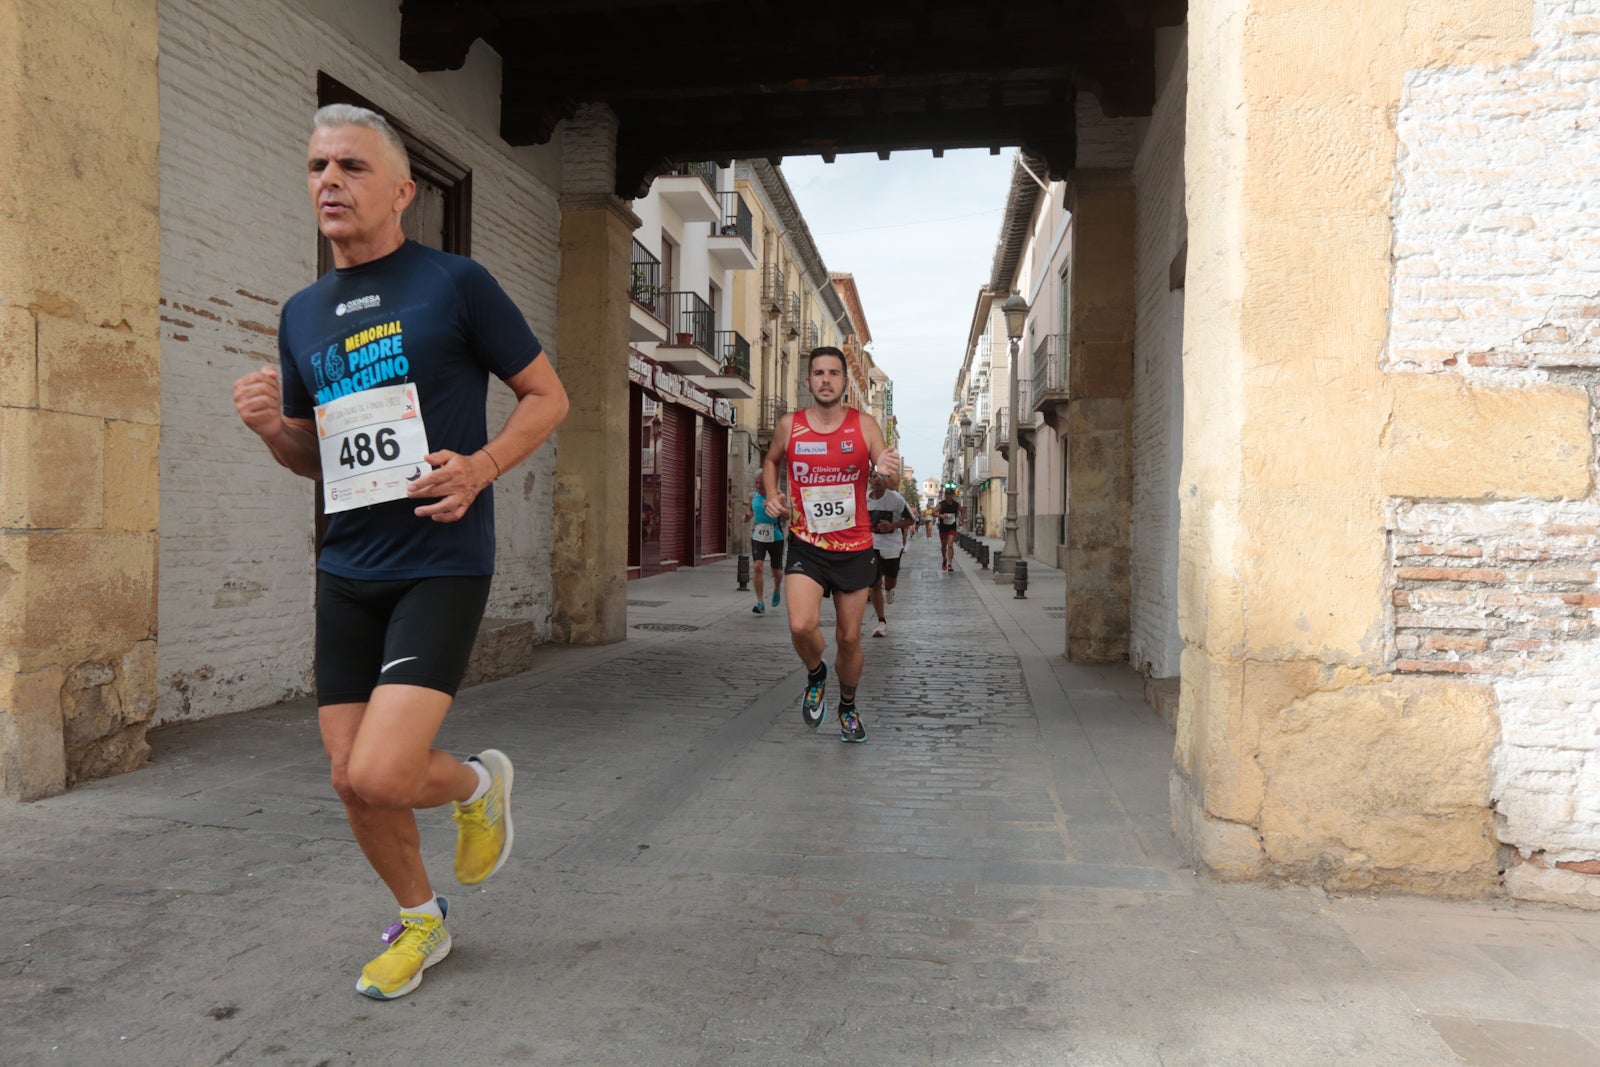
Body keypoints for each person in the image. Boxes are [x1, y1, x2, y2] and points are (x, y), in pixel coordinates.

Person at [231, 104, 569, 1000]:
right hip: (347, 567)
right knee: (351, 779)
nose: (329, 181)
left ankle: (473, 784)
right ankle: (423, 920)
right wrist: (274, 430)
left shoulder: (455, 283)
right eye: (316, 167)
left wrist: (482, 465)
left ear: (403, 193)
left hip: (439, 556)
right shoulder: (303, 313)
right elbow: (319, 457)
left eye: (350, 165)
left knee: (385, 768)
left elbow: (547, 396)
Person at [763, 347, 899, 743]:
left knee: (849, 639)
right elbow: (772, 460)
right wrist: (773, 494)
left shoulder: (865, 425)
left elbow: (887, 477)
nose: (826, 379)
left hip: (855, 547)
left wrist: (889, 473)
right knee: (801, 625)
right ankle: (816, 673)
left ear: (844, 383)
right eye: (819, 373)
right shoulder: (791, 425)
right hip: (806, 544)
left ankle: (848, 706)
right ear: (808, 381)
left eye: (834, 373)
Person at [866, 471, 915, 637]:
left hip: (892, 546)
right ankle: (881, 622)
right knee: (874, 584)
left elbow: (911, 520)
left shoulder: (895, 498)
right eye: (874, 477)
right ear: (870, 480)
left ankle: (889, 590)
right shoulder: (863, 500)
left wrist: (892, 526)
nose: (877, 480)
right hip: (871, 545)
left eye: (881, 477)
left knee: (890, 582)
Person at [742, 485, 785, 614]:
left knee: (776, 570)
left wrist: (777, 508)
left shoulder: (779, 495)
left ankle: (777, 589)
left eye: (761, 482)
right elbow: (750, 511)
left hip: (775, 535)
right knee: (757, 566)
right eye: (756, 482)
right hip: (758, 534)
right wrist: (747, 516)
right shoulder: (752, 496)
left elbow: (786, 513)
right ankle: (760, 602)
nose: (758, 485)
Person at [936, 487, 964, 571]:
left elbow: (963, 511)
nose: (947, 496)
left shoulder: (956, 504)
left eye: (949, 494)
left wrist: (961, 520)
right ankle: (944, 558)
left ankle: (950, 564)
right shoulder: (941, 504)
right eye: (946, 494)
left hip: (952, 527)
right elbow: (933, 512)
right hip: (943, 527)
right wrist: (940, 515)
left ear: (952, 495)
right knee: (944, 546)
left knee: (950, 545)